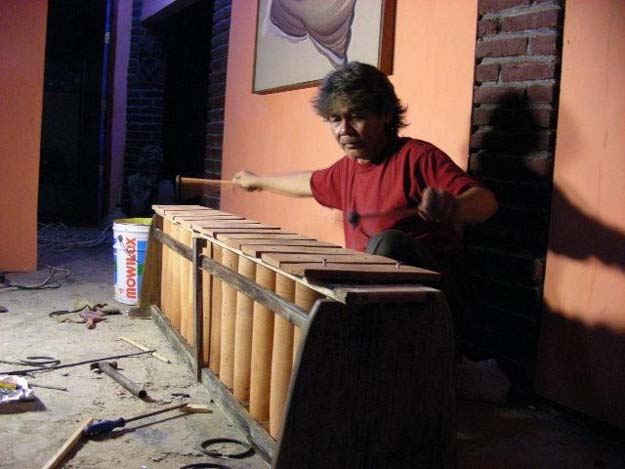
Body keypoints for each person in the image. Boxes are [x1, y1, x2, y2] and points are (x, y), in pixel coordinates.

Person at [232, 62, 498, 345]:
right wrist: (258, 180)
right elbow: (308, 183)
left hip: (432, 307)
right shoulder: (346, 170)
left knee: (386, 246)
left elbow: (486, 202)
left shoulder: (417, 156)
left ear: (385, 115)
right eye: (335, 119)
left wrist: (453, 207)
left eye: (356, 116)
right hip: (371, 304)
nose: (344, 129)